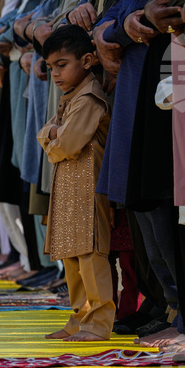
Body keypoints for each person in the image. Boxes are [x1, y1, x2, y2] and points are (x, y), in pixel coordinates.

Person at [37, 25, 114, 341]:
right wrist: (52, 134)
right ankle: (79, 317)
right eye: (50, 67)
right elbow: (47, 132)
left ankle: (99, 321)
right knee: (70, 254)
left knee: (90, 255)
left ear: (87, 60)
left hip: (88, 188)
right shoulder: (70, 97)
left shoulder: (89, 98)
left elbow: (65, 144)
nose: (55, 73)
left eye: (61, 65)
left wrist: (52, 136)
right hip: (69, 188)